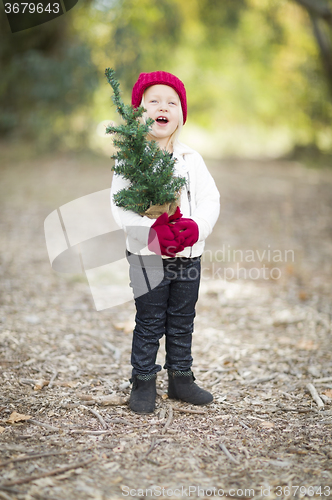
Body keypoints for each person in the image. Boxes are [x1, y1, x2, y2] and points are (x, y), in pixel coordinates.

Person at [110, 71, 220, 414]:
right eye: (153, 101)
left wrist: (195, 228)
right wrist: (151, 231)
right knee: (150, 318)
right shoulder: (130, 160)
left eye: (171, 102)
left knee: (182, 317)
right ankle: (143, 381)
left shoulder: (191, 160)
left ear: (180, 115)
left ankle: (181, 379)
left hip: (188, 255)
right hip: (147, 256)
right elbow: (120, 208)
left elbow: (210, 200)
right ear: (139, 113)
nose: (163, 107)